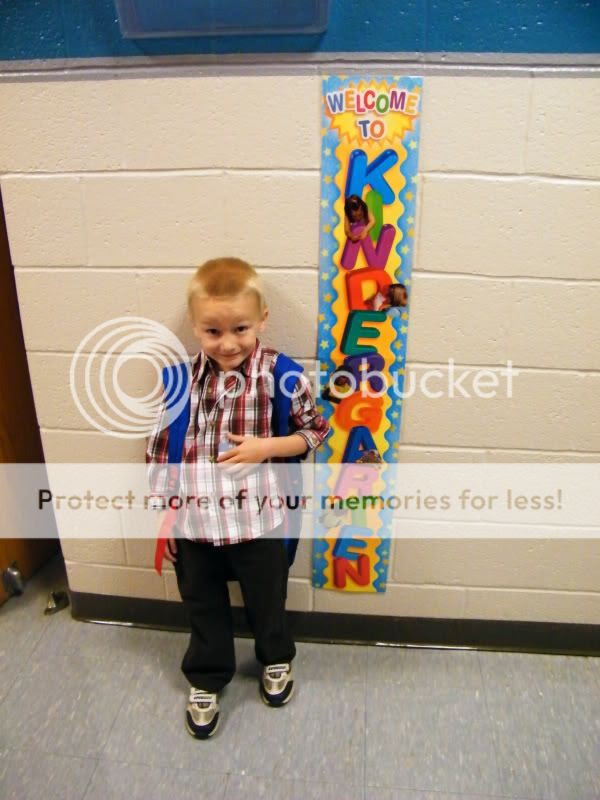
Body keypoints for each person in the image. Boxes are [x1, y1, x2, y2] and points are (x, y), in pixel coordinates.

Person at [146, 257, 330, 740]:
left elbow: (315, 431)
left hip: (260, 522)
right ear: (195, 326)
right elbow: (160, 453)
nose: (227, 343)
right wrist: (166, 515)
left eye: (240, 329)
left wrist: (267, 447)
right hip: (195, 525)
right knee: (202, 603)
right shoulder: (178, 382)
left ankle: (275, 657)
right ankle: (207, 676)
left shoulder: (281, 375)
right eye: (213, 331)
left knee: (268, 599)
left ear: (262, 320)